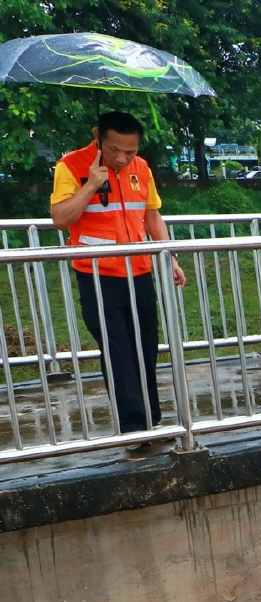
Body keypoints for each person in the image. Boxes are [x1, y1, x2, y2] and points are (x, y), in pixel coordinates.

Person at [49, 111, 187, 453]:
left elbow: (152, 215)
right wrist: (92, 184)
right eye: (115, 150)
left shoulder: (141, 168)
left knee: (145, 350)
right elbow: (60, 218)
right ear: (98, 137)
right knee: (118, 352)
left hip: (139, 273)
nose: (124, 158)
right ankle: (133, 429)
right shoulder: (71, 166)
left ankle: (152, 422)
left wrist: (168, 256)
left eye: (130, 150)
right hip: (97, 277)